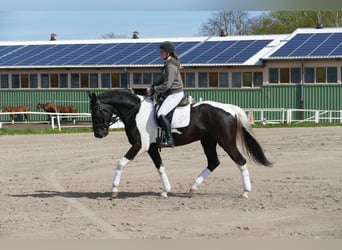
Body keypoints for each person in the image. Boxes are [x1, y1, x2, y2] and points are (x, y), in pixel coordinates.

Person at [146, 41, 184, 148]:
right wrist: (152, 86)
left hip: (174, 93)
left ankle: (169, 138)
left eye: (162, 52)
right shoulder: (167, 64)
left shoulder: (170, 66)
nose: (160, 54)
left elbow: (167, 85)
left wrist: (154, 90)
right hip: (169, 93)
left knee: (161, 113)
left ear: (168, 53)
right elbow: (162, 80)